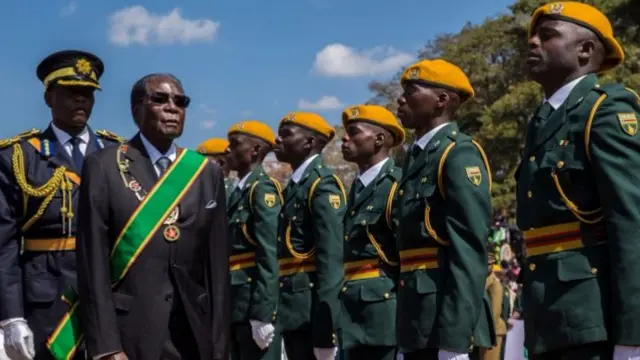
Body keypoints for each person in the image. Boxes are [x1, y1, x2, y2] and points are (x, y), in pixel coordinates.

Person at [75, 73, 230, 360]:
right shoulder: (104, 166)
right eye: (160, 99)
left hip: (193, 333)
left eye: (181, 101)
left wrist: (220, 347)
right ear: (136, 110)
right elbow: (91, 263)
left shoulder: (205, 172)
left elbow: (217, 268)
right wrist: (106, 347)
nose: (173, 107)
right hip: (130, 332)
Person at [517, 2, 640, 359]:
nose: (533, 43)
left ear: (585, 50)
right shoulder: (541, 121)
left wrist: (632, 337)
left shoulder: (606, 110)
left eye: (548, 35)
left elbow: (632, 223)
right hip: (550, 315)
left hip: (592, 317)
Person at [0, 50, 123, 360]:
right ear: (49, 98)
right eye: (71, 92)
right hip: (46, 297)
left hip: (108, 292)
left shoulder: (118, 154)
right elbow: (4, 243)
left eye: (87, 93)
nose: (81, 100)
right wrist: (11, 316)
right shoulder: (19, 156)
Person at [394, 59, 494, 360]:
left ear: (441, 100)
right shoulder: (416, 158)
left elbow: (468, 249)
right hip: (417, 318)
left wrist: (456, 338)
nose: (401, 99)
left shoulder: (457, 153)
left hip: (443, 319)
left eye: (411, 91)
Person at [273, 112, 346, 360]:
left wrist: (327, 329)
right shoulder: (294, 186)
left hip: (312, 311)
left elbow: (331, 259)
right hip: (293, 309)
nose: (277, 140)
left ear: (309, 143)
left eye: (286, 135)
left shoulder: (321, 184)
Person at [339, 104, 404, 360]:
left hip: (384, 314)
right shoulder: (354, 189)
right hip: (352, 312)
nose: (345, 138)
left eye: (354, 132)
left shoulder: (397, 184)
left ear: (378, 139)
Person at [224, 120, 283, 360]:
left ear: (255, 150)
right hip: (234, 304)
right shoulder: (237, 192)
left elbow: (269, 254)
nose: (228, 150)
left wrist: (263, 313)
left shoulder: (262, 190)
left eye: (235, 144)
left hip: (252, 305)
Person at [480, 254, 506, 360]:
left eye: (489, 265)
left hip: (493, 331)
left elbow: (495, 312)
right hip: (486, 331)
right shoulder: (485, 282)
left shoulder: (494, 285)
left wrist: (490, 332)